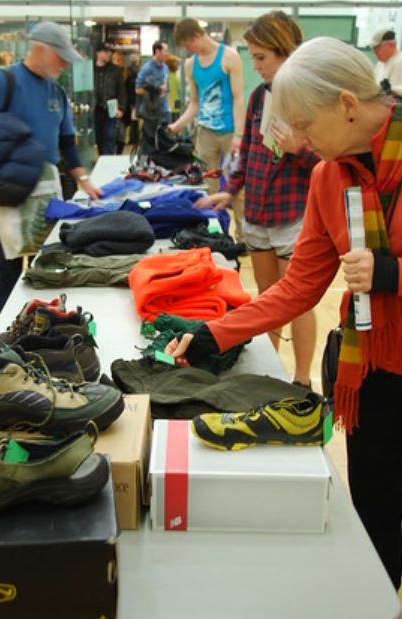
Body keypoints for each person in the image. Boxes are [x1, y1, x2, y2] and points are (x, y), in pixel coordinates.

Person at [167, 35, 402, 591]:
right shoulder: (328, 176)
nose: (298, 140)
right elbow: (299, 287)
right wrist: (216, 333)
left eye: (304, 125)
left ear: (347, 105)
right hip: (370, 373)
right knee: (375, 519)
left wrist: (393, 275)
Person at [195, 11, 318, 387]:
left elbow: (328, 165)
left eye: (261, 57)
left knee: (299, 300)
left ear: (285, 52)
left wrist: (298, 149)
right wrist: (229, 190)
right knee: (268, 299)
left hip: (294, 215)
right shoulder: (258, 97)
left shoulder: (310, 99)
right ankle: (269, 373)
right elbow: (247, 153)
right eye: (253, 57)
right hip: (258, 214)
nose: (256, 65)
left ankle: (301, 380)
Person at [0, 21, 101, 313]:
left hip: (46, 186)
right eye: (60, 56)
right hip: (9, 186)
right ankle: (7, 319)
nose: (64, 64)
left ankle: (40, 317)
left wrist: (83, 179)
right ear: (41, 50)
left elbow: (67, 142)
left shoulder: (57, 93)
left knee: (44, 255)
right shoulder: (3, 82)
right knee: (9, 260)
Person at [169, 19, 244, 195]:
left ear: (197, 35)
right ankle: (209, 213)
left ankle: (239, 215)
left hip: (230, 131)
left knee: (237, 186)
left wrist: (239, 135)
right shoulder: (190, 65)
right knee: (205, 185)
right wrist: (176, 126)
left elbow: (238, 98)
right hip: (205, 133)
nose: (188, 50)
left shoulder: (229, 57)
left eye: (189, 45)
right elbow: (195, 104)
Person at [94, 42, 126, 156]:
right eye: (106, 52)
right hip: (95, 110)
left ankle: (107, 160)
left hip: (110, 110)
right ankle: (103, 159)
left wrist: (121, 108)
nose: (109, 54)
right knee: (99, 139)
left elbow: (121, 91)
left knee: (109, 137)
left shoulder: (115, 70)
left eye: (109, 52)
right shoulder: (90, 69)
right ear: (98, 53)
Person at [136, 40, 170, 123]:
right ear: (157, 51)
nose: (167, 54)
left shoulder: (166, 67)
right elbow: (137, 90)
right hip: (150, 114)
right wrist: (155, 91)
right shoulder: (146, 68)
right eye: (165, 51)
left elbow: (166, 88)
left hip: (164, 111)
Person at [166, 54, 181, 122]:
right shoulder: (175, 77)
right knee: (175, 120)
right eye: (177, 64)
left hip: (171, 102)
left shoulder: (168, 76)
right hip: (175, 102)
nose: (178, 66)